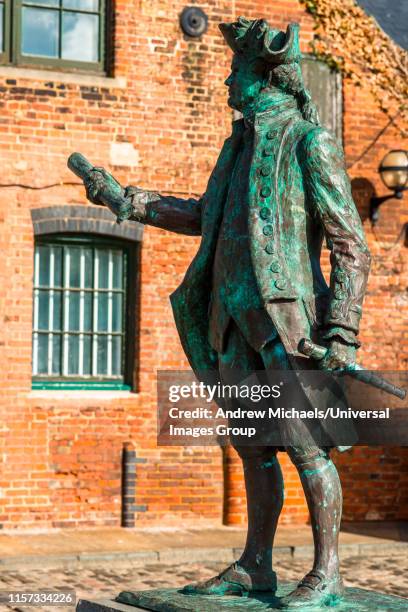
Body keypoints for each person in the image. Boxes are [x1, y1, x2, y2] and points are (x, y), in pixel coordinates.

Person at [83, 17, 371, 609]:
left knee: (307, 446)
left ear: (262, 76)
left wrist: (341, 328)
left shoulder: (308, 143)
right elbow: (202, 217)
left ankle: (328, 572)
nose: (225, 81)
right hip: (230, 317)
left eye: (234, 71)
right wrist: (126, 200)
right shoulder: (236, 145)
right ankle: (255, 567)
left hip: (289, 327)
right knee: (253, 445)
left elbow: (351, 244)